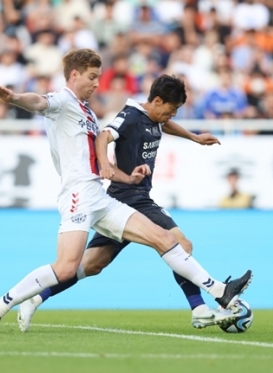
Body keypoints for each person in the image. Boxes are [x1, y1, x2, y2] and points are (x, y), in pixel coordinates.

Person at [0, 48, 252, 334]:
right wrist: (15, 98)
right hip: (77, 195)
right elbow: (38, 102)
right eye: (92, 77)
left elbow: (100, 159)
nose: (96, 84)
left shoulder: (88, 112)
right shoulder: (63, 100)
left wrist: (127, 177)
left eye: (98, 77)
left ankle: (219, 292)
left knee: (163, 239)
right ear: (75, 75)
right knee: (66, 268)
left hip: (101, 196)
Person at [17, 74, 234, 333]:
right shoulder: (131, 115)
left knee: (93, 265)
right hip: (130, 198)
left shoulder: (155, 118)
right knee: (181, 244)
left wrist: (194, 137)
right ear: (156, 100)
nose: (173, 115)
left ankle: (37, 297)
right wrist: (106, 164)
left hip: (134, 199)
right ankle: (200, 308)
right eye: (172, 109)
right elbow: (103, 136)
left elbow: (164, 126)